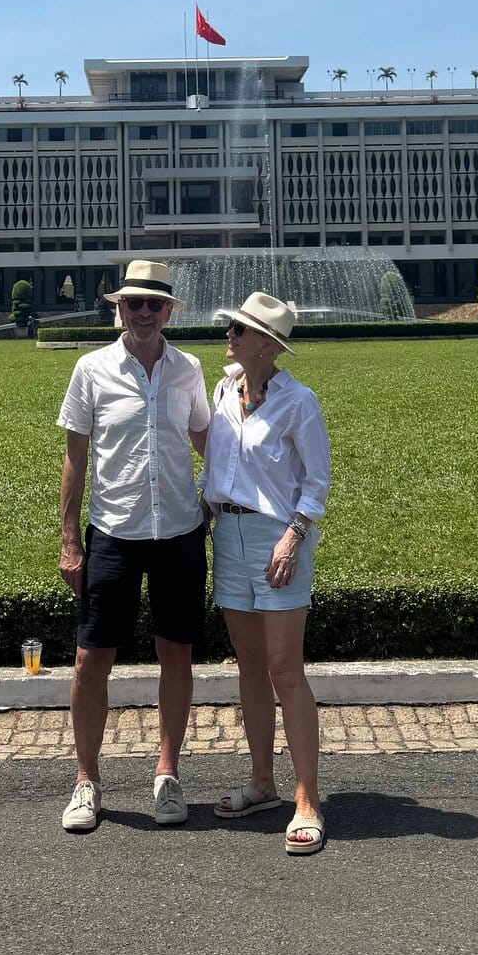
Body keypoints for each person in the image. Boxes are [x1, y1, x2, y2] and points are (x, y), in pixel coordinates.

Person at [57, 259, 210, 833]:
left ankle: (167, 774)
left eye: (154, 304)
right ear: (119, 308)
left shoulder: (188, 370)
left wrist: (225, 494)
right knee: (90, 659)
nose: (144, 313)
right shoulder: (91, 369)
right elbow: (75, 459)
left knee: (176, 655)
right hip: (114, 532)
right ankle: (86, 779)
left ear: (169, 310)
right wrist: (70, 540)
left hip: (178, 533)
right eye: (133, 303)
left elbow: (207, 441)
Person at [200, 292, 331, 856]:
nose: (229, 334)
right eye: (231, 326)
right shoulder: (223, 390)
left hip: (276, 538)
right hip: (227, 535)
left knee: (284, 669)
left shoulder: (299, 402)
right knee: (250, 668)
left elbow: (317, 483)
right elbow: (216, 463)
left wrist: (292, 538)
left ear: (268, 345)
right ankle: (262, 783)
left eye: (240, 329)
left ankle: (307, 798)